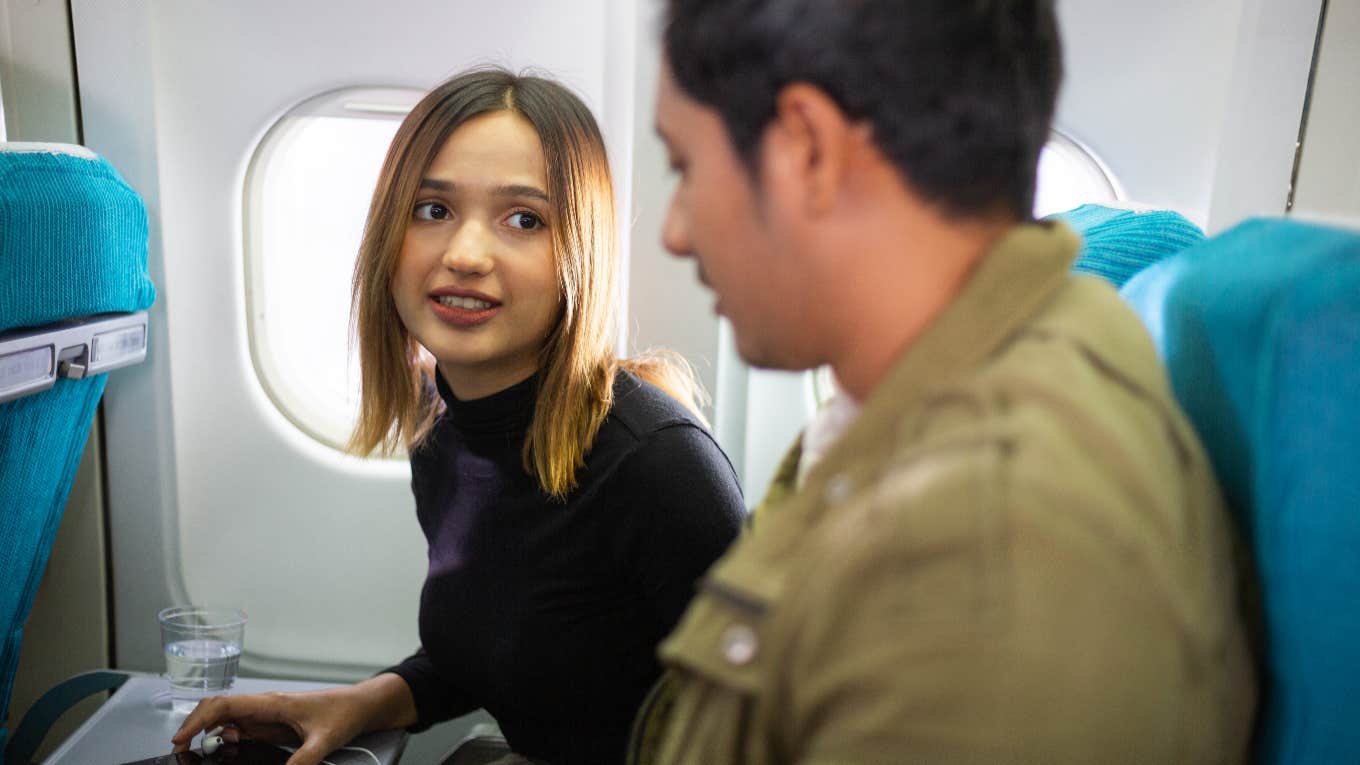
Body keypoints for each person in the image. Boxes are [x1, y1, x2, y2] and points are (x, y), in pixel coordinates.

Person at [632, 1, 1258, 763]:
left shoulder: (984, 547)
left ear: (809, 151)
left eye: (686, 167)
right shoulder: (912, 393)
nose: (675, 229)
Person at [172, 68, 745, 765]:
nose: (465, 254)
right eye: (433, 209)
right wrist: (356, 703)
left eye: (524, 219)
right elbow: (500, 645)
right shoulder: (441, 427)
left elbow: (763, 735)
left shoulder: (658, 465)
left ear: (579, 253)